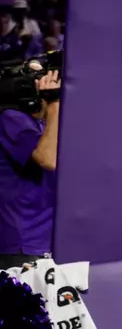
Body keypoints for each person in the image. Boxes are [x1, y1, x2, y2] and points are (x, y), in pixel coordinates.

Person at [0, 61, 59, 268]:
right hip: (22, 242)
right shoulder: (10, 119)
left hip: (42, 237)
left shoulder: (42, 125)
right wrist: (53, 104)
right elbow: (48, 159)